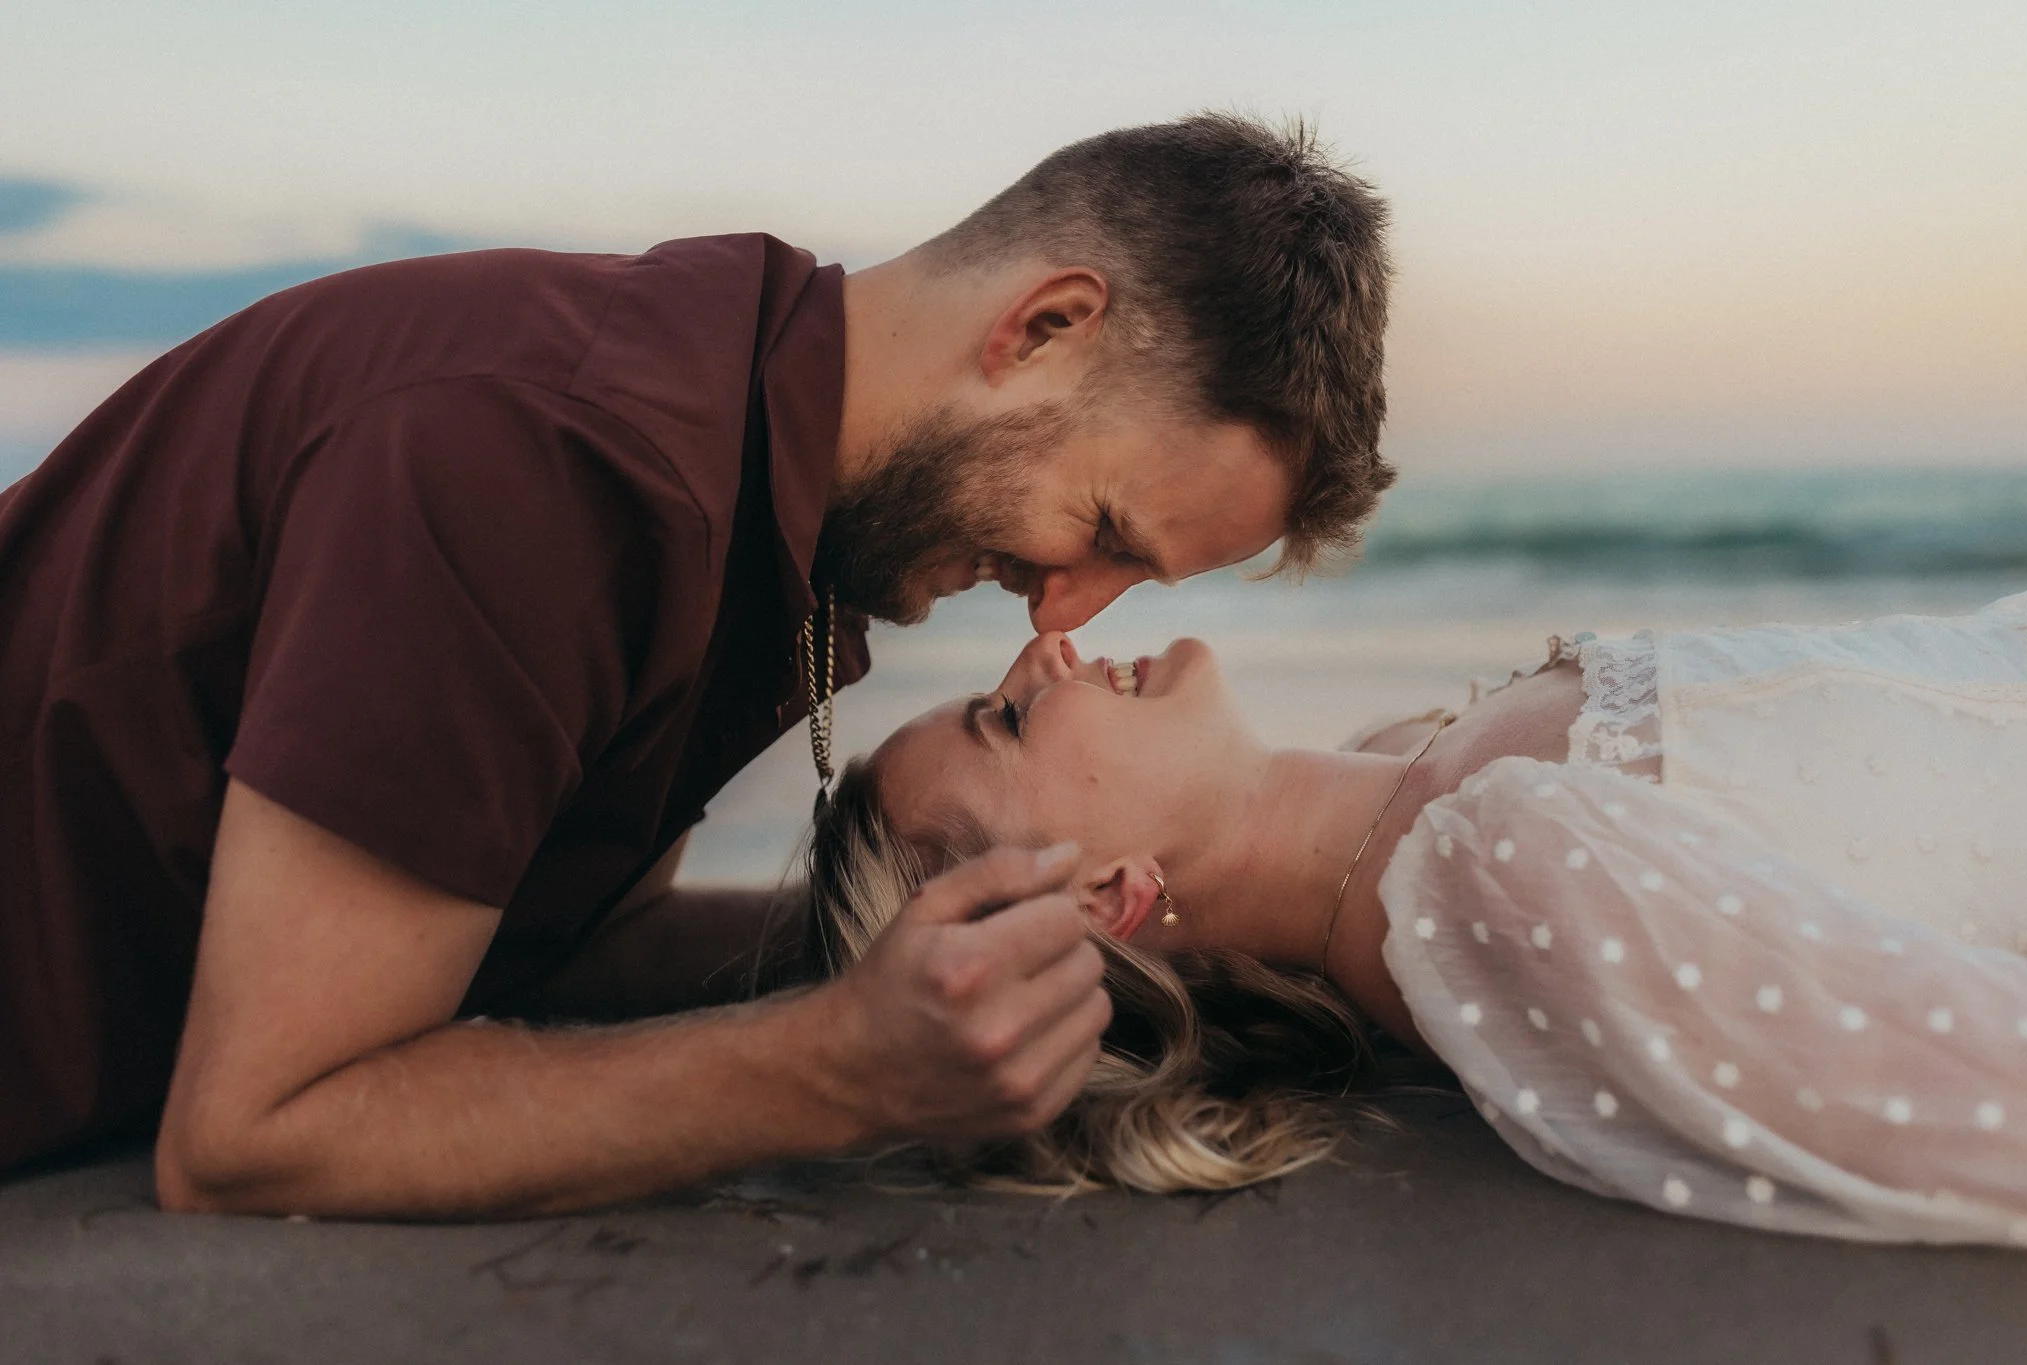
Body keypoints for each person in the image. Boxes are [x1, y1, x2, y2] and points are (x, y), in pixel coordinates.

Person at [0, 114, 1398, 1217]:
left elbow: (556, 938)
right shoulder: (546, 468)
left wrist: (1003, 969)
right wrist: (842, 1065)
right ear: (1043, 329)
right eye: (1099, 530)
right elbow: (256, 1137)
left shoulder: (771, 497)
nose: (1063, 617)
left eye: (1128, 579)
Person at [808, 589, 2027, 1246]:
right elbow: (1988, 1089)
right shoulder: (1498, 882)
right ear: (1106, 897)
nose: (1047, 650)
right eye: (1010, 719)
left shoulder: (1396, 777)